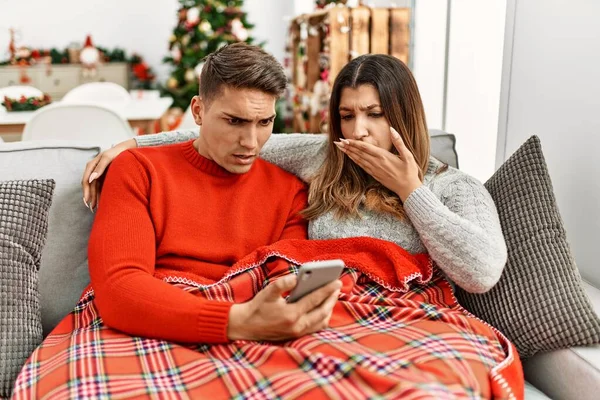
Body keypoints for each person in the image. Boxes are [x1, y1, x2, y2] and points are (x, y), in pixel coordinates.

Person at [14, 51, 522, 399]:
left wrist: (412, 191)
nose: (251, 142)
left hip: (354, 309)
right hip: (213, 305)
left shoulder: (445, 187)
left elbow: (480, 271)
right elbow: (122, 288)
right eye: (347, 116)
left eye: (375, 114)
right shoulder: (320, 160)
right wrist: (131, 143)